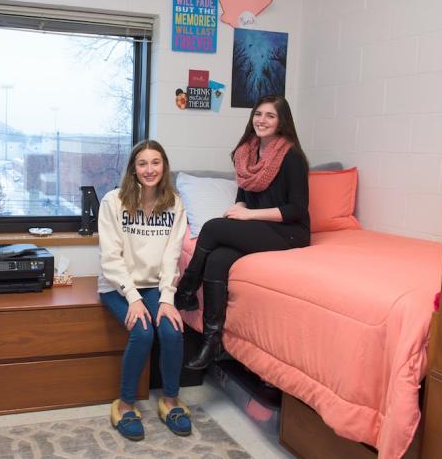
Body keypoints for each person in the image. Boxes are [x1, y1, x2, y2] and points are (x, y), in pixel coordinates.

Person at [175, 95, 311, 371]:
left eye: (270, 116)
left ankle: (186, 290)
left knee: (212, 228)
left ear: (282, 121)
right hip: (259, 226)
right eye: (258, 114)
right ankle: (212, 340)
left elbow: (297, 209)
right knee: (217, 259)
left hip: (289, 232)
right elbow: (243, 194)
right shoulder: (247, 153)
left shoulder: (291, 156)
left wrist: (247, 216)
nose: (262, 120)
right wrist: (238, 208)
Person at [98, 139, 192, 441]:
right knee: (143, 331)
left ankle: (170, 400)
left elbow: (171, 255)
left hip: (156, 285)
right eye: (142, 163)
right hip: (118, 285)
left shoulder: (174, 203)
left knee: (172, 330)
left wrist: (167, 299)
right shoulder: (113, 201)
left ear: (164, 166)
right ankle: (125, 405)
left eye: (155, 162)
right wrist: (134, 298)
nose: (149, 169)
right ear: (133, 168)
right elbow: (111, 258)